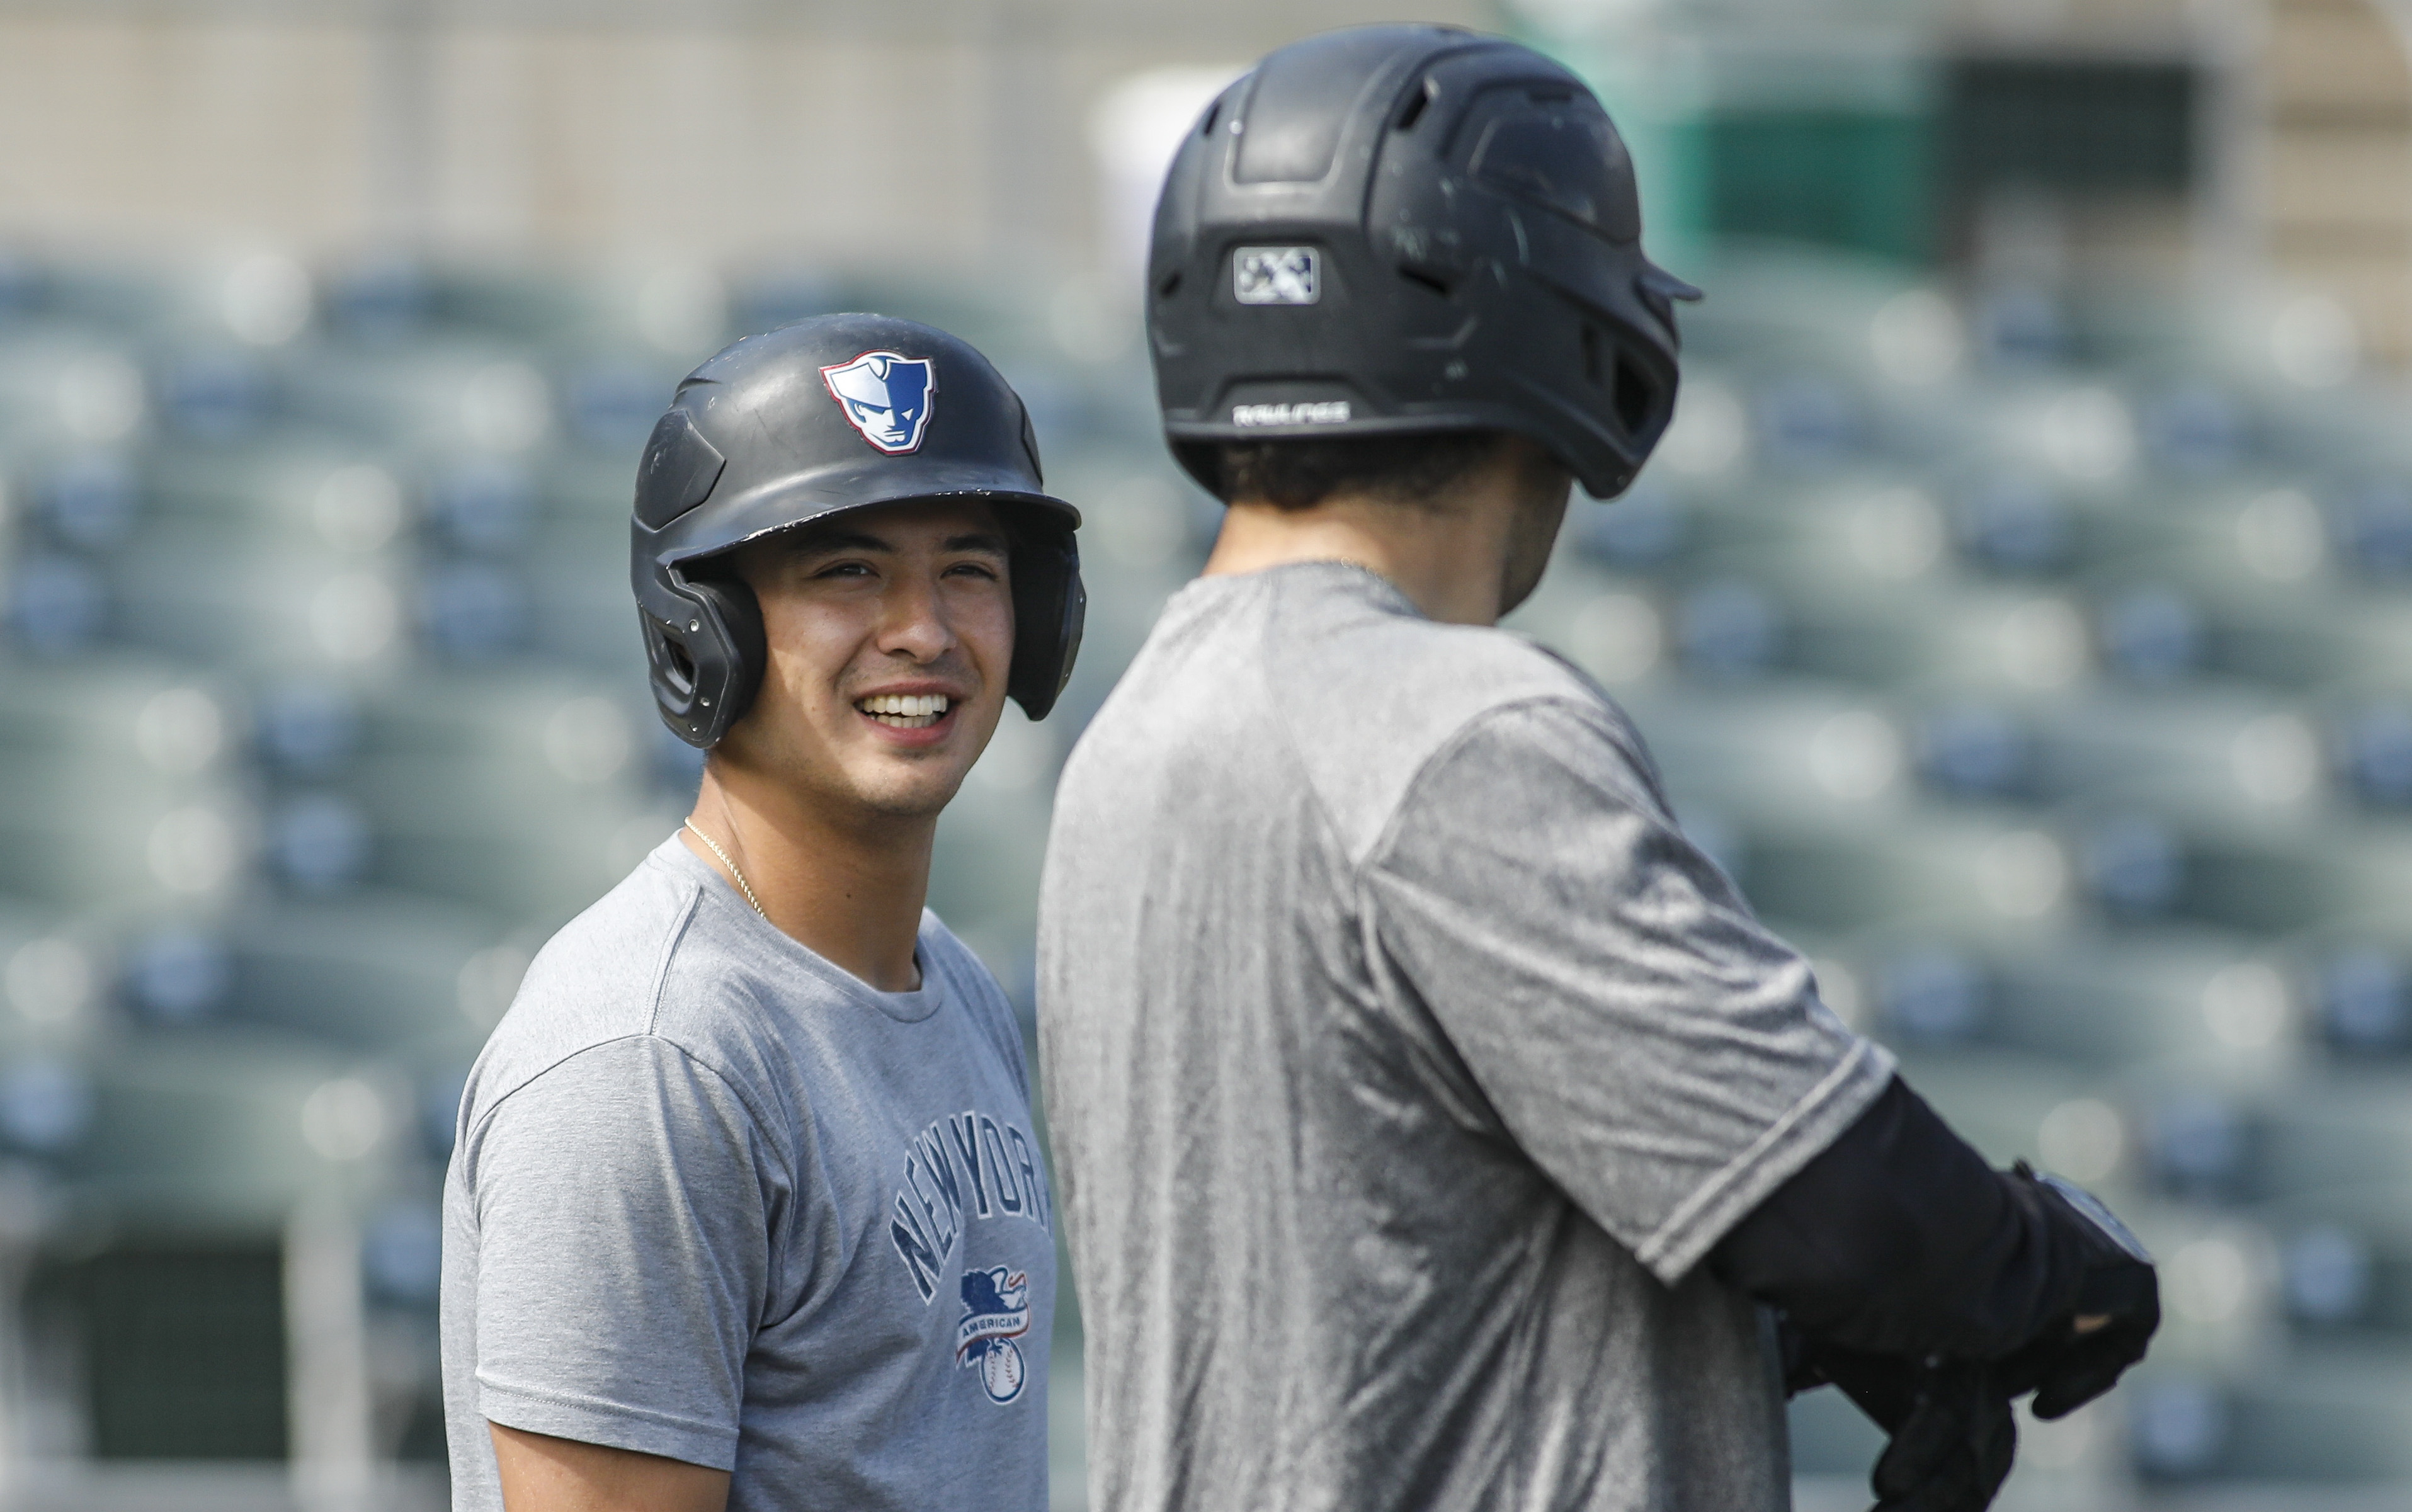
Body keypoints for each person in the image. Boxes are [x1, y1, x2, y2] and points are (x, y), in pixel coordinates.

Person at [1037, 25, 2156, 1512]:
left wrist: (1776, 1335)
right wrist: (2048, 1272)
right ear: (1570, 337)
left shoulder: (1132, 743)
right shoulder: (1452, 723)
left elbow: (1386, 1284)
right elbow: (1845, 1207)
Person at [440, 312, 1084, 1512]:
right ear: (709, 627)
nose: (924, 630)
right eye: (847, 570)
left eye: (970, 568)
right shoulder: (648, 1057)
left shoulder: (946, 978)